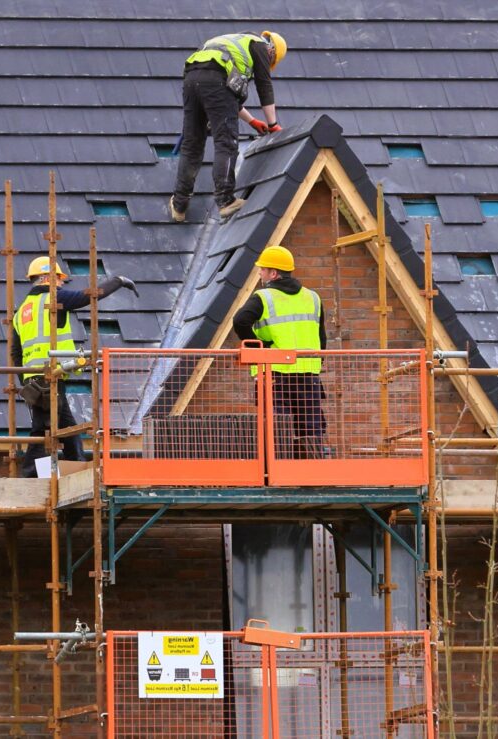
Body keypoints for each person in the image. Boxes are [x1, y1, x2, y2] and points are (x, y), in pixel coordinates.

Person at [12, 256, 139, 477]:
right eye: (59, 279)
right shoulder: (52, 298)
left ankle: (77, 465)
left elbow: (16, 352)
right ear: (47, 278)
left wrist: (25, 381)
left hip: (35, 376)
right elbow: (87, 297)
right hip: (51, 372)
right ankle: (31, 474)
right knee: (42, 426)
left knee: (66, 422)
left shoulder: (22, 309)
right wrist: (118, 281)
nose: (61, 283)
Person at [169, 31, 287, 223]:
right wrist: (273, 124)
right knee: (226, 141)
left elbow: (228, 95)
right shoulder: (260, 47)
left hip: (192, 77)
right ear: (272, 51)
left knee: (192, 143)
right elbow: (264, 87)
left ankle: (179, 204)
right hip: (216, 79)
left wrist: (252, 121)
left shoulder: (234, 43)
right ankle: (225, 201)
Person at [232, 245, 327, 459]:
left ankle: (278, 474)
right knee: (310, 428)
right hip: (308, 376)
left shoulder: (264, 297)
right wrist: (316, 364)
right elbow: (322, 338)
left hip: (273, 375)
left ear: (273, 273)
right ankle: (311, 474)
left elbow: (240, 321)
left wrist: (259, 347)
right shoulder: (313, 297)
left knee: (277, 428)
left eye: (263, 270)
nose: (260, 273)